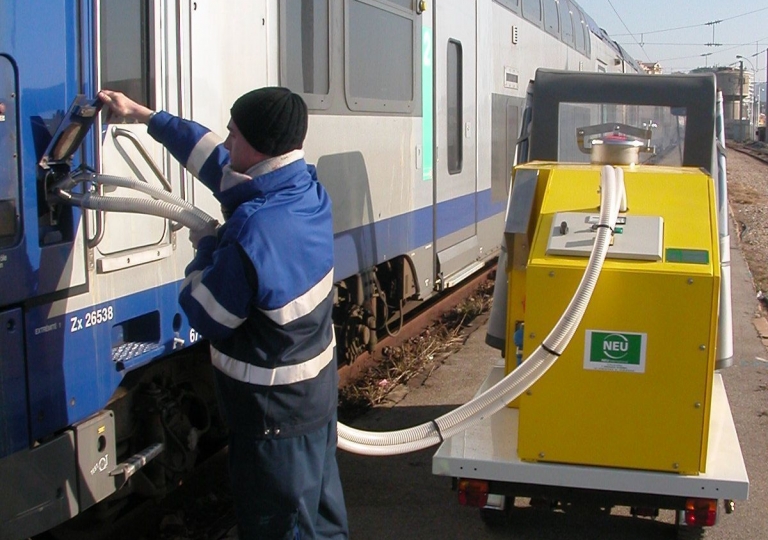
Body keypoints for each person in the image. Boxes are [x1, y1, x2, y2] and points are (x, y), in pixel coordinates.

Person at [99, 87, 348, 540]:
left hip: (271, 420)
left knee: (282, 529)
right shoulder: (305, 191)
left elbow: (206, 313)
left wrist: (209, 248)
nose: (227, 142)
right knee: (321, 522)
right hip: (310, 405)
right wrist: (143, 115)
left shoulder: (256, 230)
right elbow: (213, 158)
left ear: (258, 146)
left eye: (234, 134)